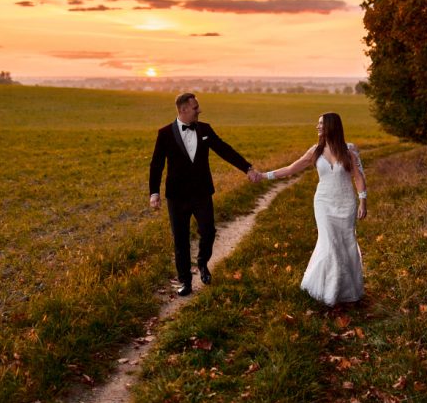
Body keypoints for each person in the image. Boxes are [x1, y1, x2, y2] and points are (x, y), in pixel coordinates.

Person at [149, 93, 262, 296]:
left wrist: (247, 168)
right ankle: (185, 281)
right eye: (195, 107)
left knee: (208, 232)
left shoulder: (205, 129)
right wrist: (154, 192)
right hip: (176, 197)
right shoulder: (165, 133)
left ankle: (202, 262)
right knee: (180, 240)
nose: (199, 110)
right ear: (183, 110)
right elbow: (156, 165)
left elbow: (224, 150)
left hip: (202, 193)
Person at [263, 112, 366, 306]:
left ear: (331, 126)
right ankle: (329, 290)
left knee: (346, 243)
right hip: (323, 203)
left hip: (346, 203)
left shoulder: (349, 150)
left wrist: (363, 201)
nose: (317, 127)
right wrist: (264, 176)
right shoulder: (316, 150)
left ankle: (347, 289)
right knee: (330, 244)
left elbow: (358, 177)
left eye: (321, 124)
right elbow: (290, 169)